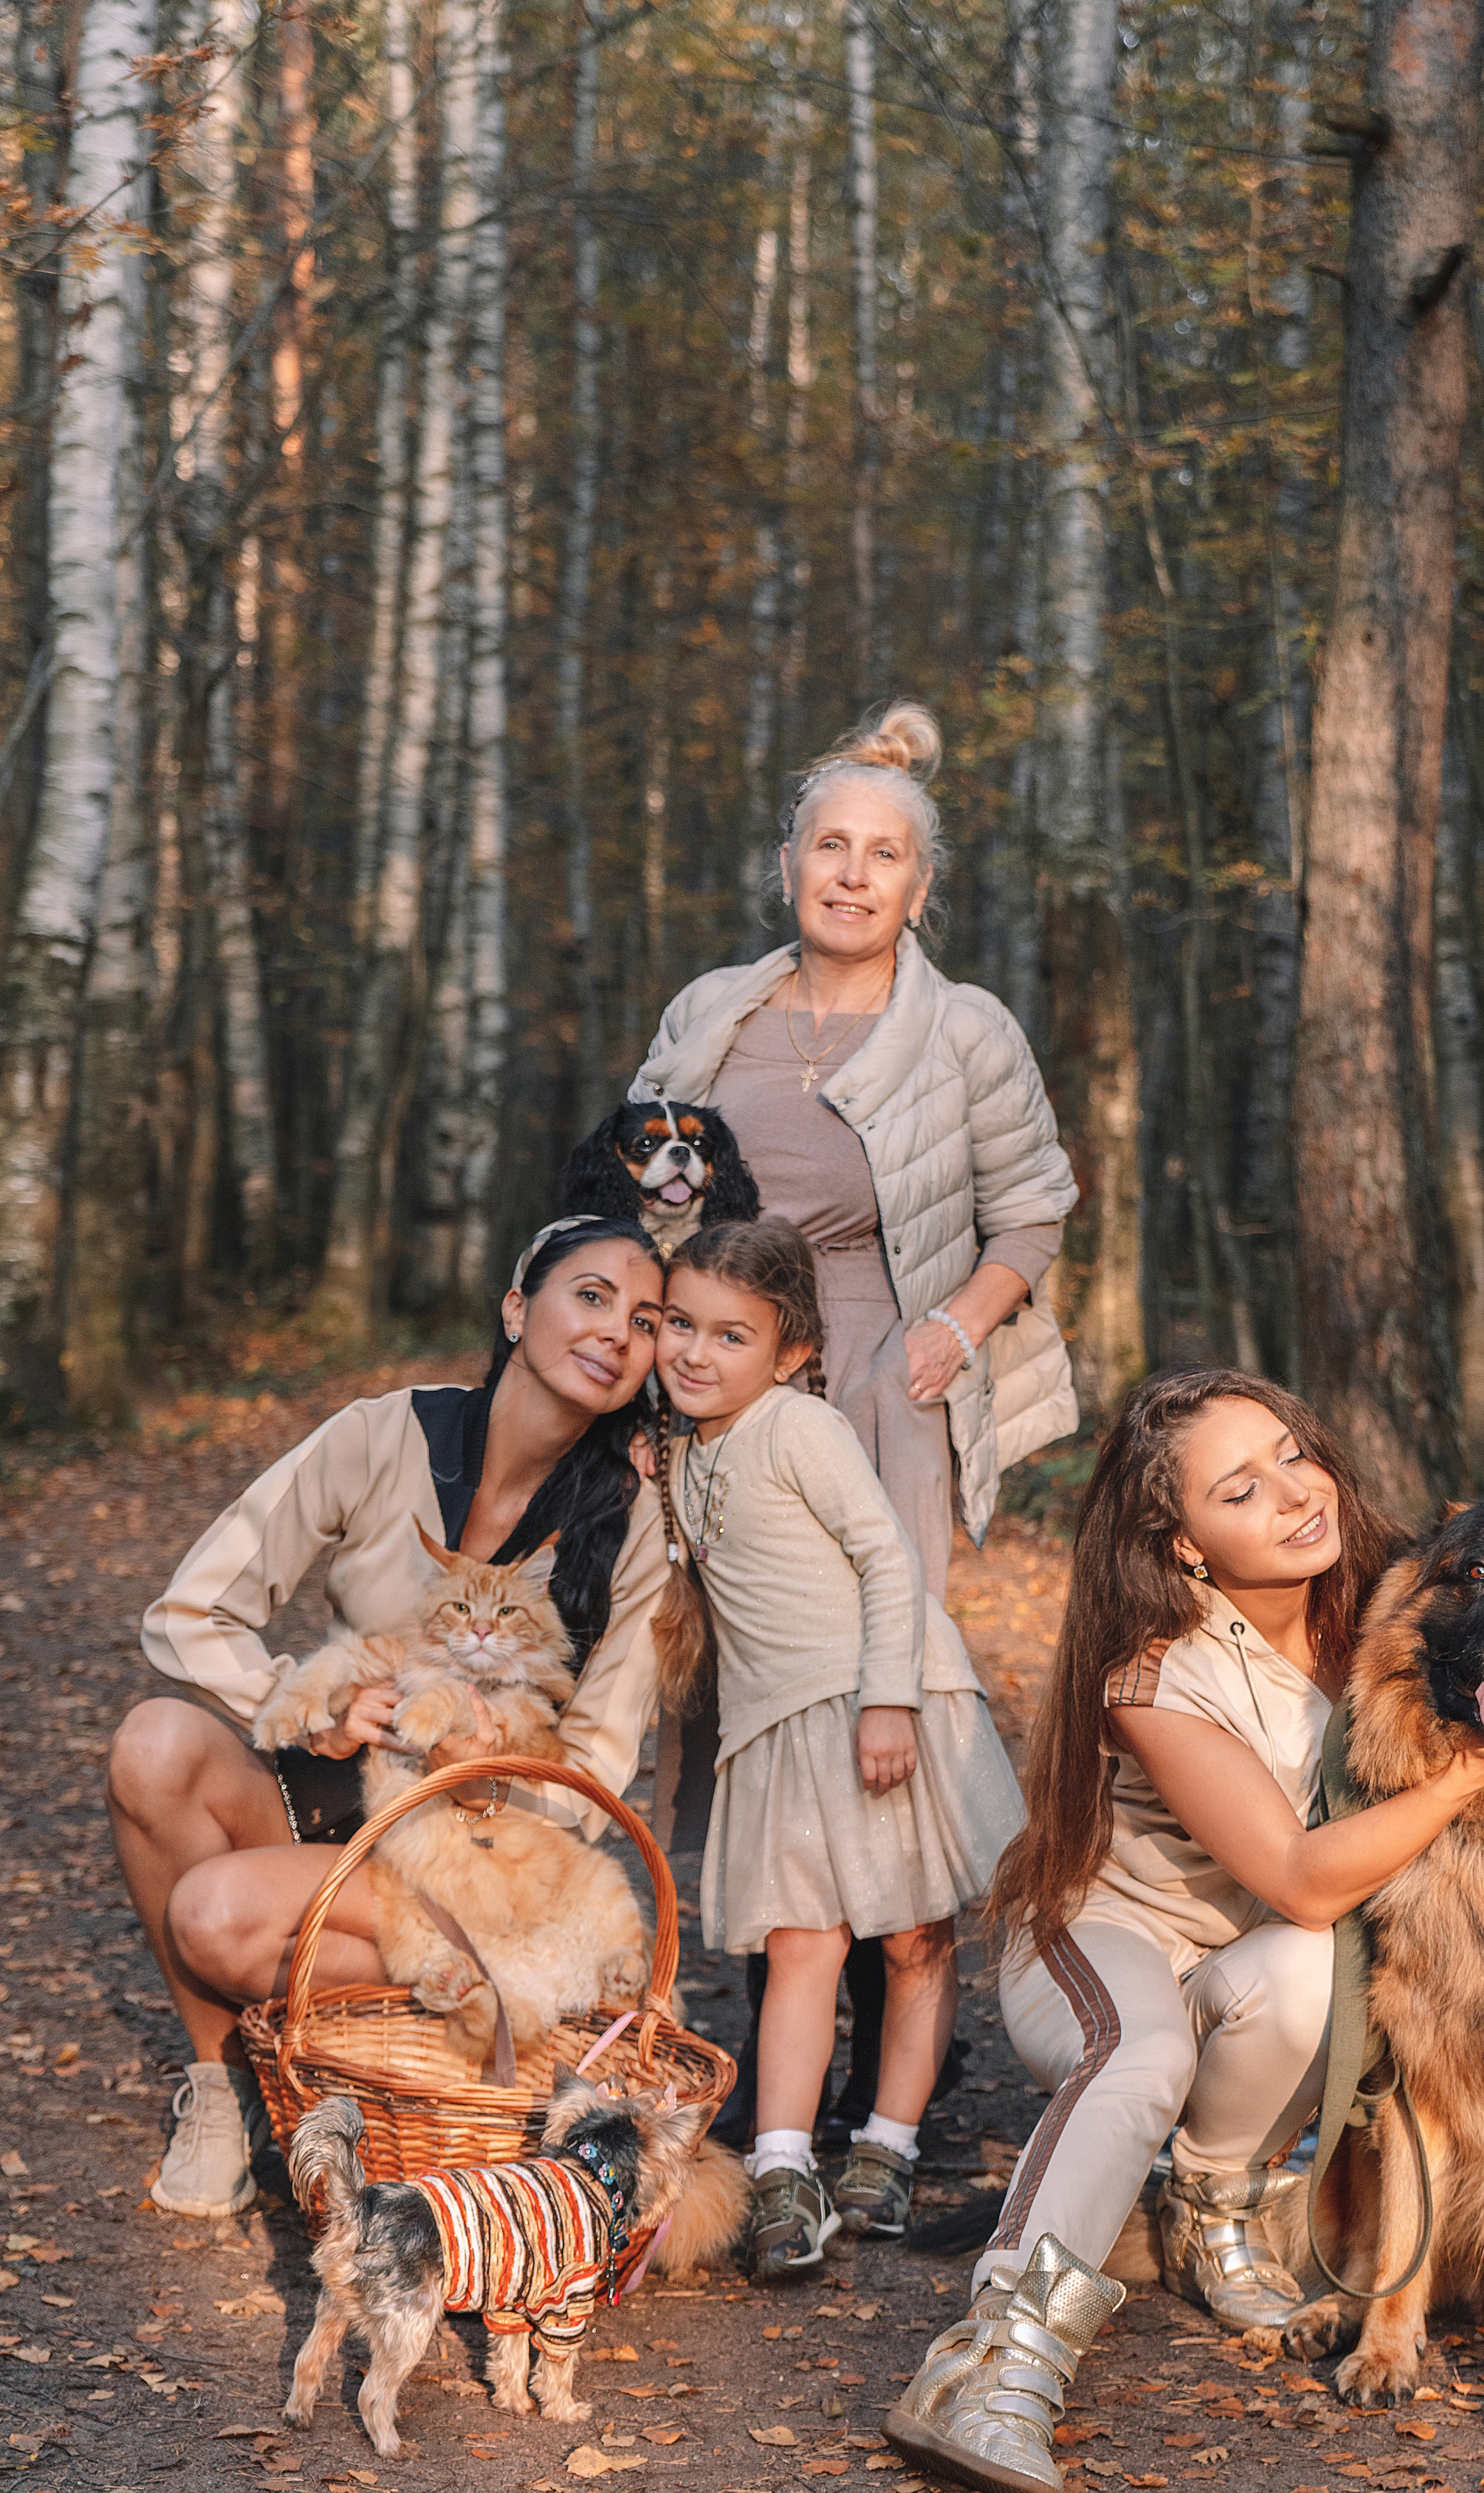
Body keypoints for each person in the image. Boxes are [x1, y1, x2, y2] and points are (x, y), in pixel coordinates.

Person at [883, 1370, 1484, 2493]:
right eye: (1240, 1489)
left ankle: (1212, 2211)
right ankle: (995, 2362)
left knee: (1315, 1976)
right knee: (1148, 2047)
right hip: (1105, 1937)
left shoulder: (1386, 1601)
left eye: (1292, 1454)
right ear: (1182, 1544)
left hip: (1255, 1950)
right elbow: (1303, 1877)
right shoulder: (1152, 1672)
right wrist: (1483, 1768)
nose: (1293, 1494)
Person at [630, 698, 1076, 2139]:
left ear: (917, 887)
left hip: (887, 1366)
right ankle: (772, 2030)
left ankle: (899, 2037)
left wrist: (955, 1324)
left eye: (882, 855)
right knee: (734, 1686)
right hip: (720, 1365)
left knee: (886, 1677)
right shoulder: (715, 1009)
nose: (851, 874)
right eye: (829, 846)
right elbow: (638, 1182)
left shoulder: (961, 1028)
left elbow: (1034, 1209)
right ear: (788, 866)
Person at [107, 1217, 671, 2220]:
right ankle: (223, 2096)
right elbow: (191, 1608)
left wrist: (485, 1758)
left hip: (469, 1853)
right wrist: (305, 1700)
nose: (616, 1333)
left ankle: (483, 1987)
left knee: (214, 1921)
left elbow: (595, 1776)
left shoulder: (631, 1522)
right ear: (515, 1307)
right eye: (589, 1296)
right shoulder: (385, 1432)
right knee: (153, 1747)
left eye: (645, 1319)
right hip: (323, 1797)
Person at [650, 1216, 1026, 2275]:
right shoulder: (682, 1455)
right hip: (779, 1732)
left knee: (913, 1936)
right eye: (681, 1324)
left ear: (792, 1355)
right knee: (801, 1942)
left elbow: (885, 1559)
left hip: (878, 1699)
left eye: (732, 1336)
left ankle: (888, 2146)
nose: (696, 1352)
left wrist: (890, 1703)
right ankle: (781, 2166)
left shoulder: (796, 1430)